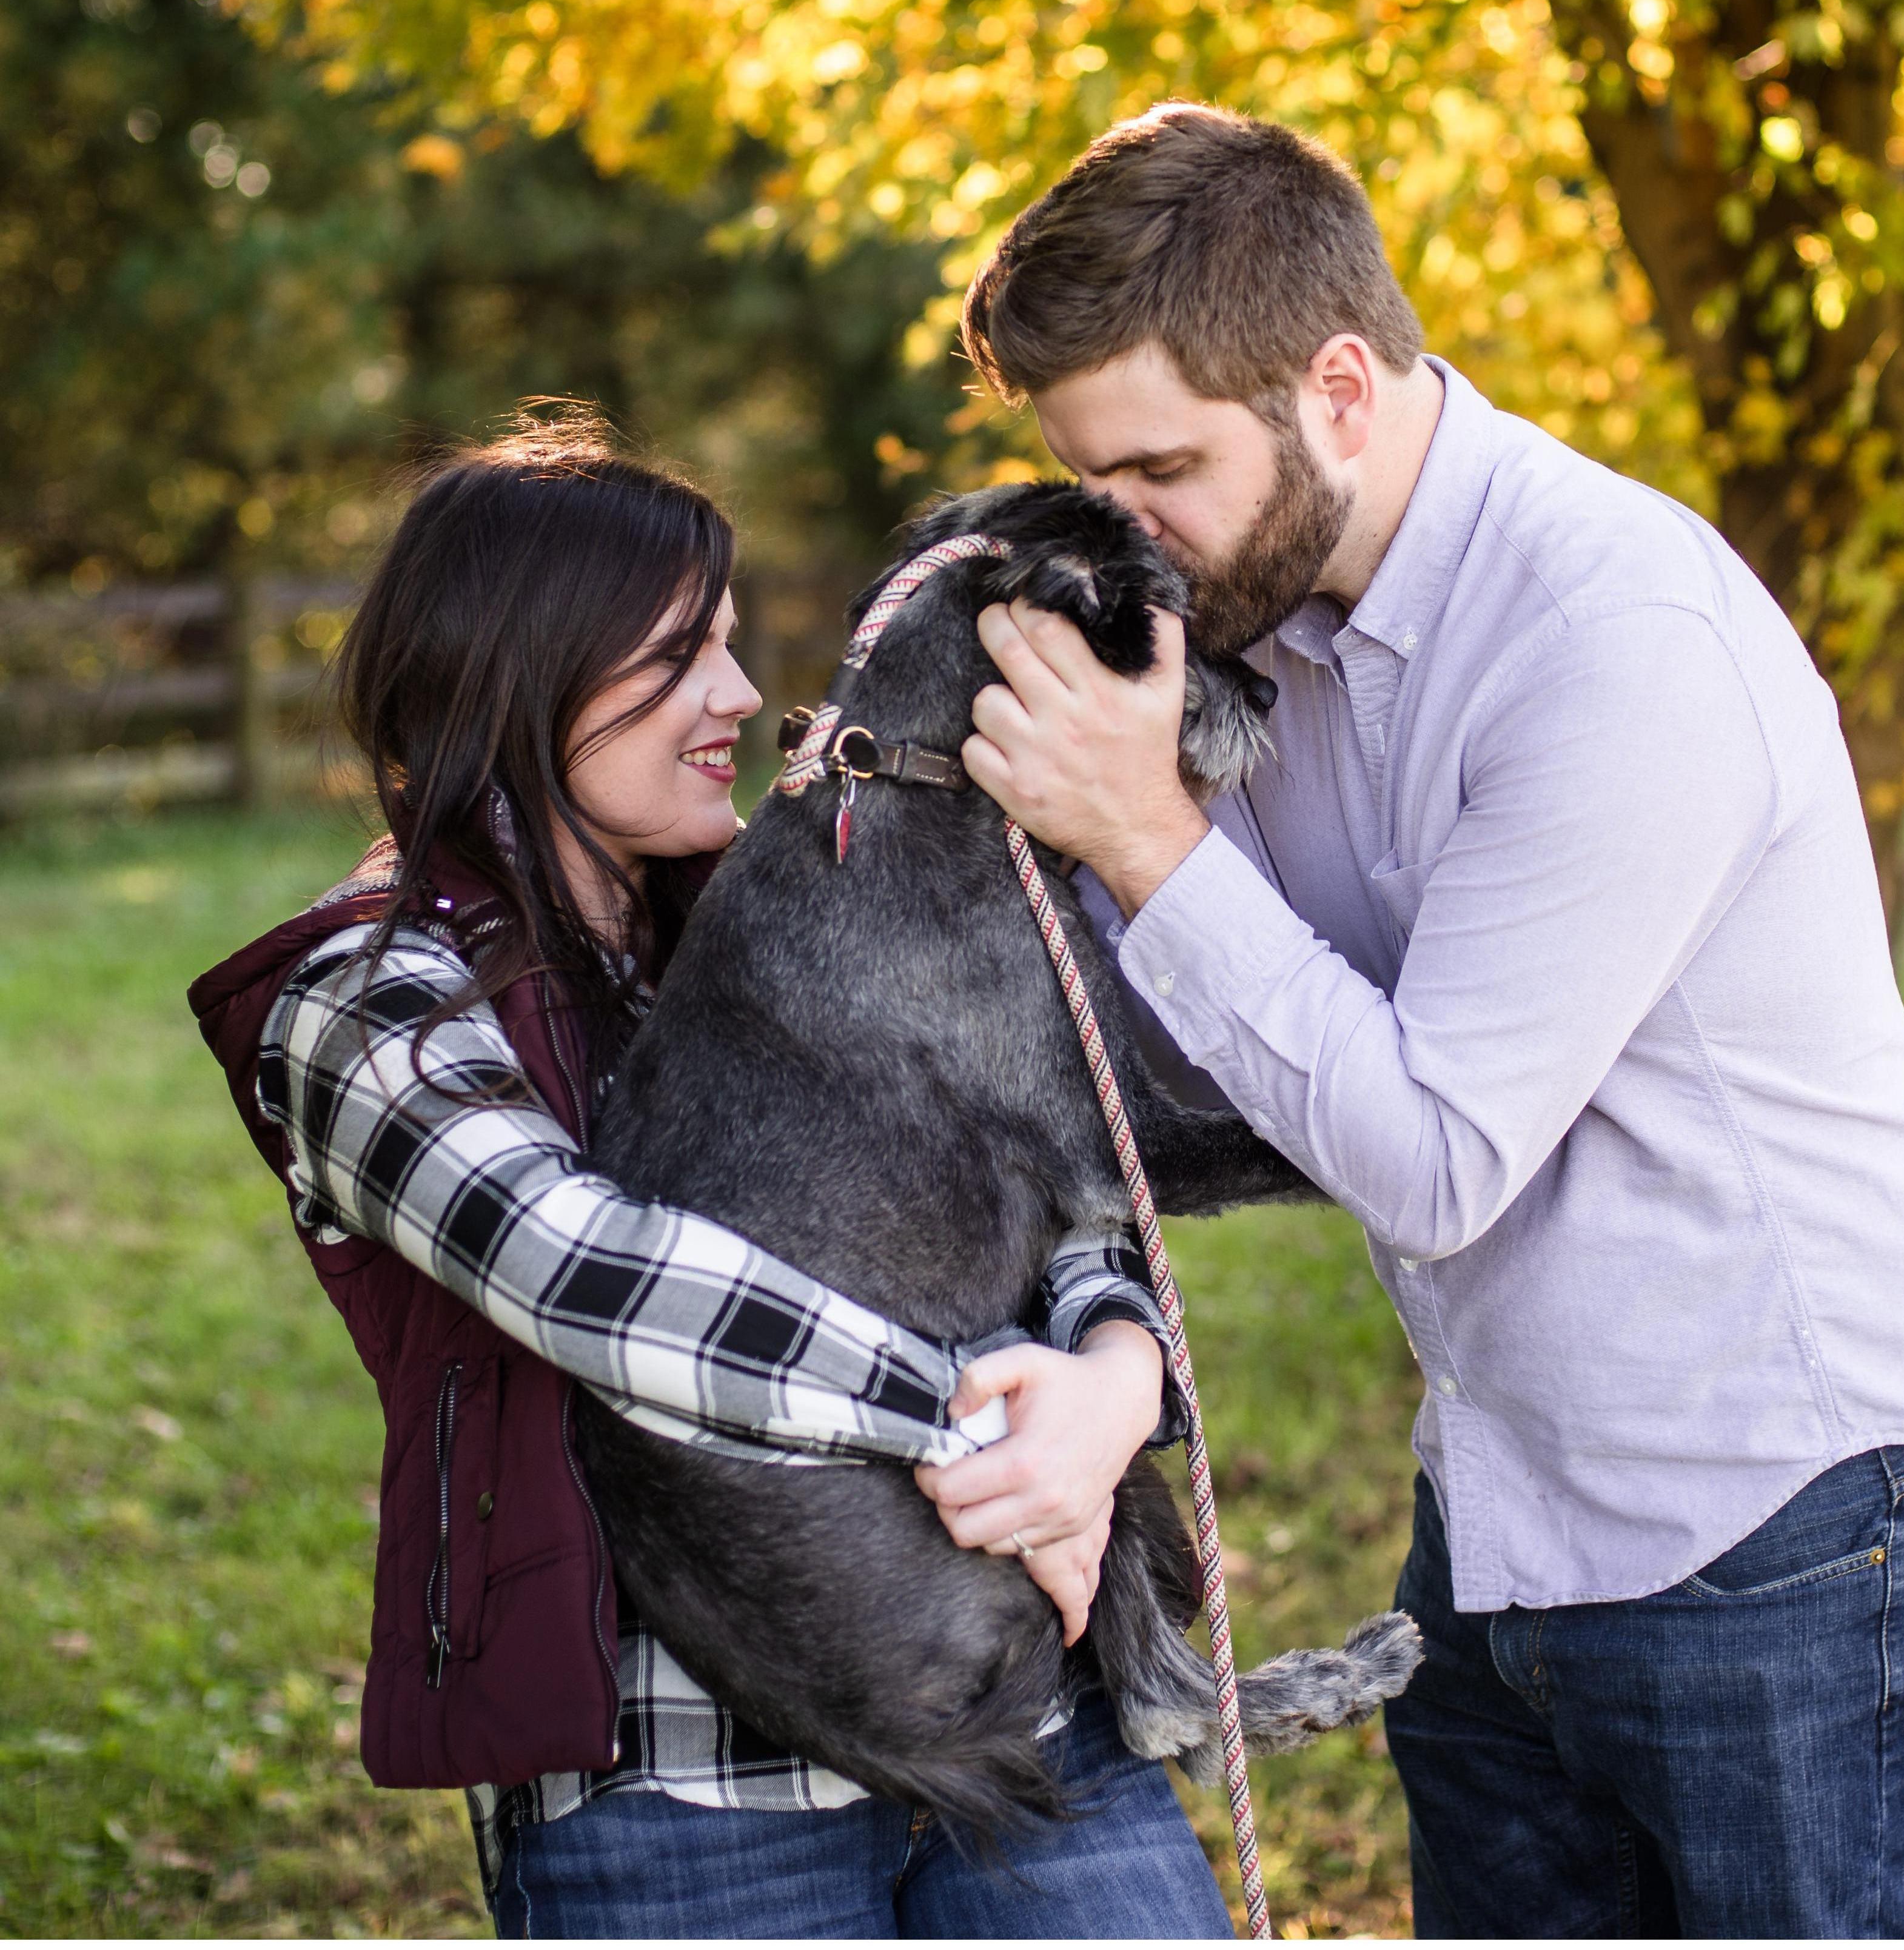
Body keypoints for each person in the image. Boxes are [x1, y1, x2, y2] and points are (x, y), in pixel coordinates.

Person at [953, 104, 1904, 1938]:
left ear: (1336, 391)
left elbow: (1434, 1155)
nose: (1124, 539)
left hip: (1786, 1517)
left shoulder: (1612, 638)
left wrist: (1142, 833)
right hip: (1501, 1505)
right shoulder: (1257, 624)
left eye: (1161, 472)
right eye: (1085, 483)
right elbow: (1205, 1042)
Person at [188, 419, 1235, 1941]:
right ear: (524, 668)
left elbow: (1046, 1142)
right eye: (680, 656)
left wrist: (1112, 1383)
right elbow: (599, 1283)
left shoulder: (797, 897)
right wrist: (991, 1437)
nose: (741, 697)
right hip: (676, 1796)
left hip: (1023, 1704)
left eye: (732, 645)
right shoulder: (369, 997)